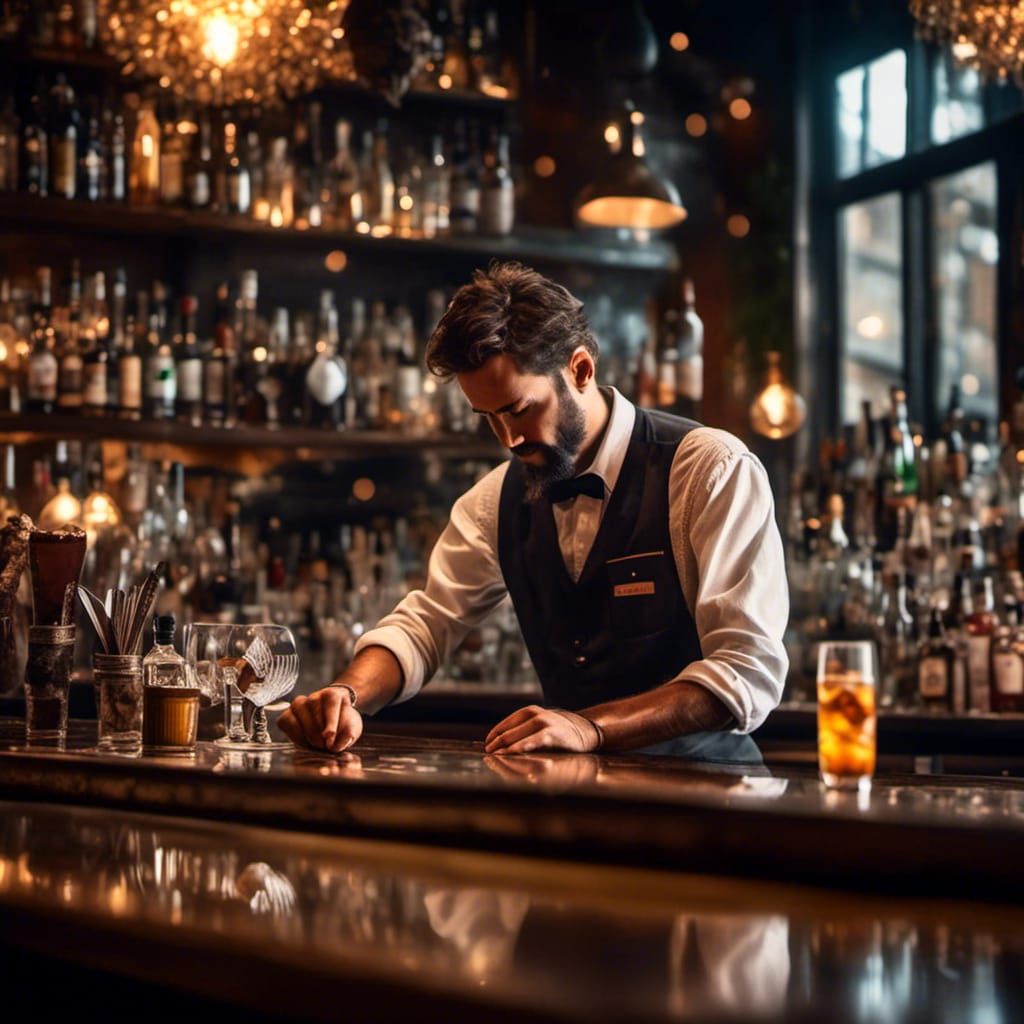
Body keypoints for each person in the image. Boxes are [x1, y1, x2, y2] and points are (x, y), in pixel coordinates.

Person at [278, 262, 788, 758]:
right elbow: (425, 624)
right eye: (489, 419)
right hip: (573, 802)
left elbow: (746, 670)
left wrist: (590, 728)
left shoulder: (708, 470)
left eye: (521, 409)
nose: (510, 438)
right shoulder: (492, 500)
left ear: (581, 369)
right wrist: (347, 695)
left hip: (712, 799)